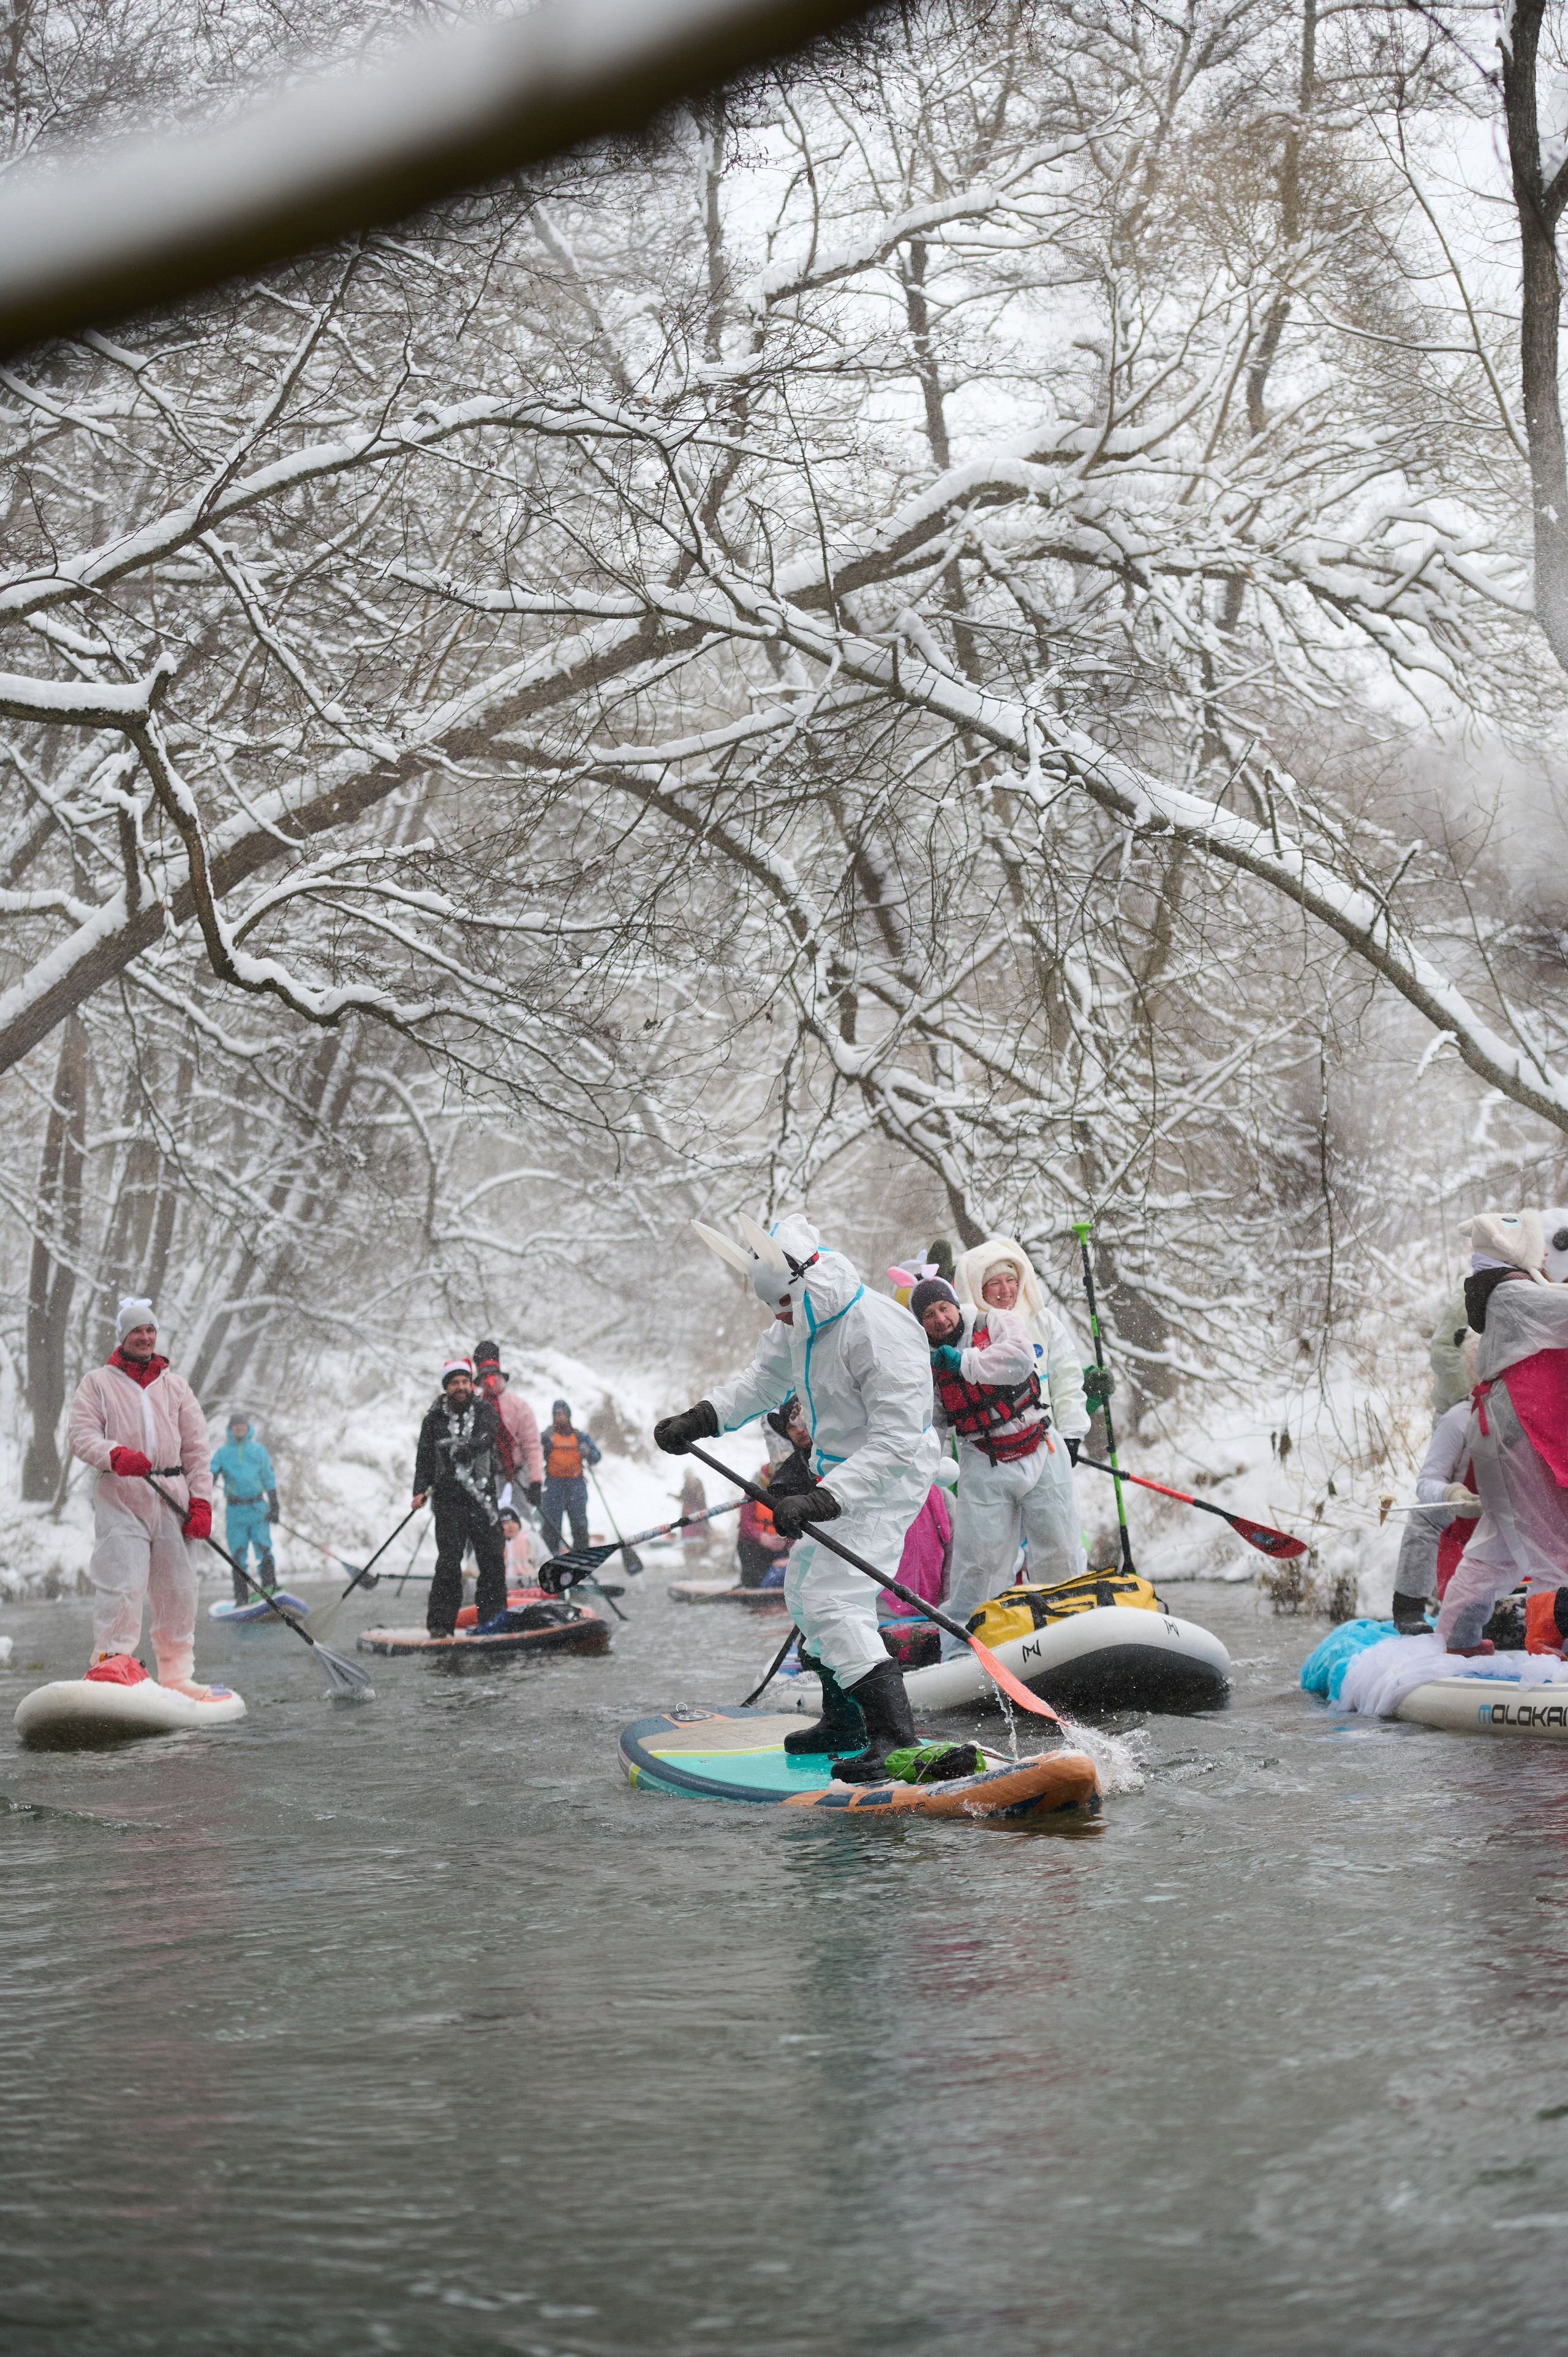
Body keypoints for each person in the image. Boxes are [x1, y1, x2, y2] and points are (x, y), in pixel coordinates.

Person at [659, 1212, 939, 1782]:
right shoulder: (801, 1321)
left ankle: (895, 1738)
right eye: (773, 1310)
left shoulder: (877, 1330)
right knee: (804, 1595)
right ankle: (845, 1722)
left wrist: (821, 1500)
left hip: (890, 1475)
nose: (779, 1317)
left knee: (836, 1601)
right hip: (835, 1471)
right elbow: (761, 1380)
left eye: (783, 1305)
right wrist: (701, 1418)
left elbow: (894, 1442)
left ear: (806, 1283)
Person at [912, 1267, 1085, 1659]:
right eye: (928, 1316)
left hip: (1041, 1447)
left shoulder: (998, 1321)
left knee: (1060, 1549)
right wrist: (925, 1467)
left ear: (956, 1306)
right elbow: (935, 1422)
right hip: (982, 1459)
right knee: (978, 1565)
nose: (940, 1319)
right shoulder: (927, 1362)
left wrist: (965, 1362)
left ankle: (1073, 1628)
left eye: (944, 1308)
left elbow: (1020, 1361)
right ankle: (962, 1648)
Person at [66, 1295, 217, 1695]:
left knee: (179, 1591)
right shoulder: (97, 1383)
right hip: (122, 1495)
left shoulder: (177, 1388)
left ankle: (177, 1674)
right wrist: (112, 1455)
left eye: (150, 1330)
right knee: (122, 1582)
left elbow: (197, 1451)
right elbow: (81, 1437)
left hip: (172, 1498)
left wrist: (200, 1502)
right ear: (124, 1337)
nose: (146, 1337)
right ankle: (112, 1663)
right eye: (138, 1330)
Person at [1433, 1209, 1568, 1655]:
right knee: (1557, 1548)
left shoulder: (1504, 1294)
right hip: (1518, 1431)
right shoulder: (1513, 1294)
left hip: (1501, 1431)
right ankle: (1552, 1648)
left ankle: (1455, 1639)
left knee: (1498, 1549)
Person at [412, 1357, 507, 1639]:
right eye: (455, 1383)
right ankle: (441, 1626)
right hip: (449, 1501)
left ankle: (493, 1620)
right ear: (447, 1387)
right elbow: (424, 1458)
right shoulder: (433, 1419)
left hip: (483, 1502)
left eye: (465, 1382)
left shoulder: (485, 1410)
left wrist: (470, 1447)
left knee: (491, 1561)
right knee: (449, 1563)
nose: (461, 1387)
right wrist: (419, 1490)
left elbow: (489, 1435)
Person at [209, 1411, 280, 1602]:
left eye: (243, 1425)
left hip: (258, 1509)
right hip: (235, 1512)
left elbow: (268, 1477)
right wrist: (210, 1480)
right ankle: (241, 1597)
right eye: (236, 1425)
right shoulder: (223, 1453)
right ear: (230, 1429)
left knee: (264, 1548)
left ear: (248, 1428)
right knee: (238, 1553)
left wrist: (275, 1505)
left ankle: (270, 1588)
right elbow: (211, 1471)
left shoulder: (258, 1451)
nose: (239, 1428)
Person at [472, 1341, 543, 1514]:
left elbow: (532, 1446)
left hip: (518, 1473)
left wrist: (535, 1481)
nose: (490, 1381)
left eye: (493, 1376)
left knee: (524, 1521)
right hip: (488, 1476)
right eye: (485, 1377)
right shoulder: (475, 1407)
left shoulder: (520, 1407)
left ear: (501, 1376)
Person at [540, 1398, 601, 1557]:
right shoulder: (547, 1437)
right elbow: (533, 1454)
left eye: (563, 1414)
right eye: (557, 1415)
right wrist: (544, 1445)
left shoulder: (580, 1437)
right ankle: (551, 1556)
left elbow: (596, 1457)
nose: (560, 1418)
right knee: (552, 1525)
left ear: (569, 1415)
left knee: (579, 1524)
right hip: (554, 1484)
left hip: (576, 1484)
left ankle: (581, 1555)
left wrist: (587, 1452)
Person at [736, 1466, 790, 1588]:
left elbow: (795, 1523)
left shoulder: (789, 1491)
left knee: (781, 1576)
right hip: (753, 1547)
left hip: (779, 1547)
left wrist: (787, 1544)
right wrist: (762, 1537)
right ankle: (753, 1590)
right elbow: (745, 1524)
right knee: (754, 1583)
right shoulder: (752, 1492)